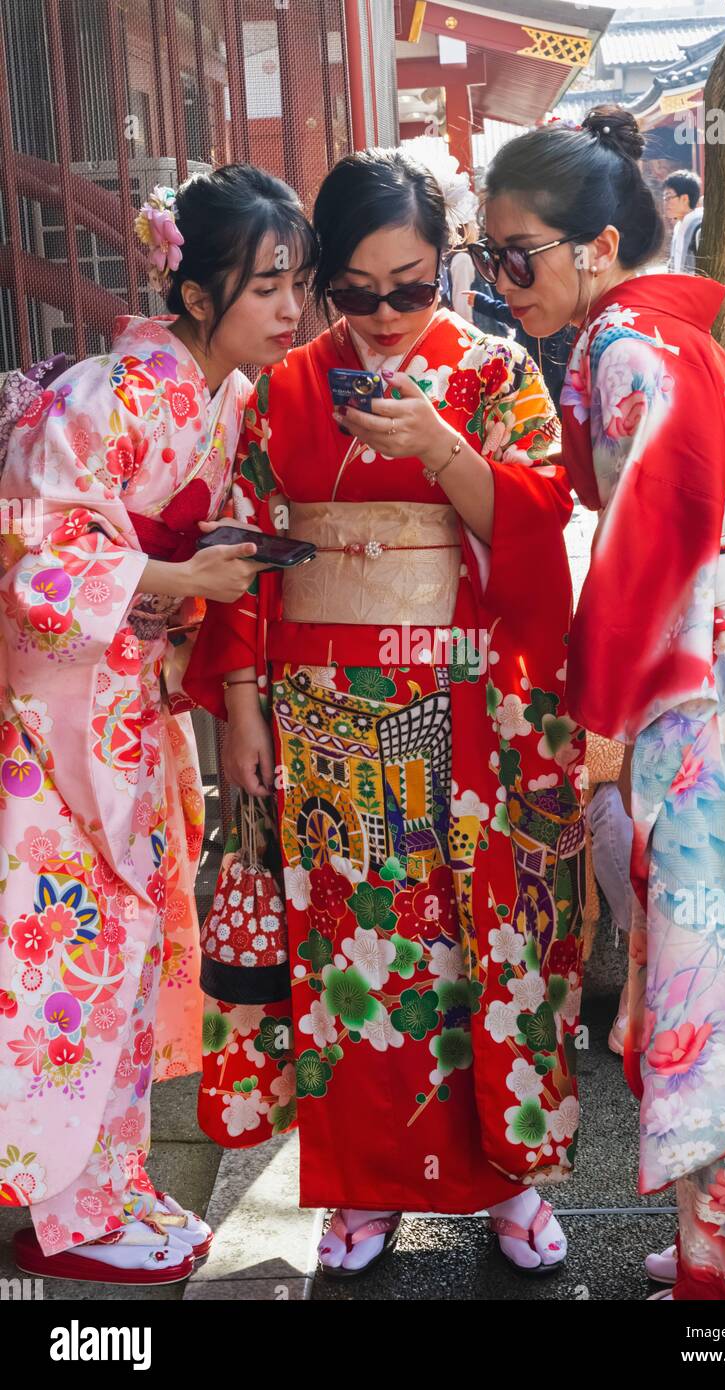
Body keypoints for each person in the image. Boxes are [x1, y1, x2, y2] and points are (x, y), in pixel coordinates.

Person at [480, 104, 725, 1301]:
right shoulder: (658, 337)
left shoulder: (622, 349)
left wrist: (591, 706)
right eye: (486, 257)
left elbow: (650, 541)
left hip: (714, 667)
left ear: (596, 245)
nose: (500, 283)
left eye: (517, 256)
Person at [184, 147, 585, 1279]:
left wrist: (444, 452)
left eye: (410, 287)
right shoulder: (281, 389)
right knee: (351, 945)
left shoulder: (496, 372)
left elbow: (539, 529)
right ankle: (357, 1188)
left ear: (444, 265)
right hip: (319, 716)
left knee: (486, 941)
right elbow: (250, 553)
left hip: (468, 705)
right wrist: (243, 708)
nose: (382, 316)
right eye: (353, 294)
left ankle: (506, 1182)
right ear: (320, 286)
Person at [0, 165, 315, 1285]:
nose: (294, 308)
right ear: (194, 296)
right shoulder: (105, 393)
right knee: (70, 962)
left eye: (299, 283)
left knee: (126, 960)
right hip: (51, 732)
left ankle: (113, 1180)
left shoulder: (220, 399)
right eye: (270, 284)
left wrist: (191, 584)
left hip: (127, 700)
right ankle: (67, 1207)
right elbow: (29, 545)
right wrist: (179, 571)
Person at [662, 168, 703, 275]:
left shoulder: (699, 226)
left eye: (669, 197)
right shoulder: (679, 226)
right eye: (664, 198)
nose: (665, 203)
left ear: (685, 198)